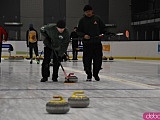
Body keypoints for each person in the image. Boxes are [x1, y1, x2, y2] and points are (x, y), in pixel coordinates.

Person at [77, 5, 107, 81]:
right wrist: (84, 35)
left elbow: (103, 29)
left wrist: (102, 34)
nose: (88, 13)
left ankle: (96, 74)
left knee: (98, 60)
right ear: (84, 12)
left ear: (92, 11)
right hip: (87, 44)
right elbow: (78, 32)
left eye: (89, 11)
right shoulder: (82, 20)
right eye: (87, 12)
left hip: (97, 43)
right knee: (87, 60)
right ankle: (89, 74)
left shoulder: (97, 19)